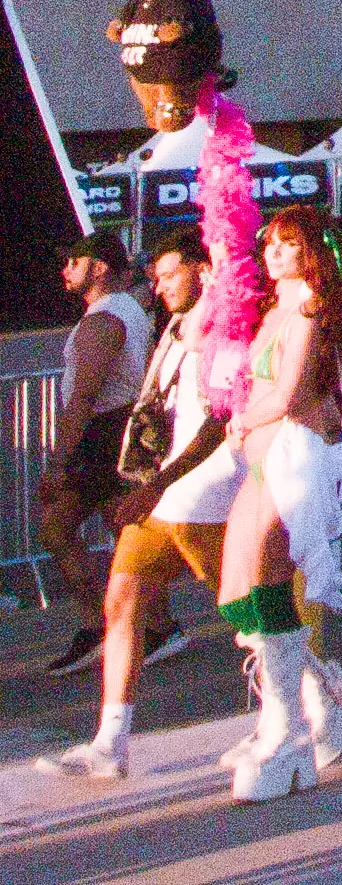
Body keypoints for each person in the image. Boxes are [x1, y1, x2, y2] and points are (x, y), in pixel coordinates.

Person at [37, 232, 214, 781]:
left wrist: (62, 458)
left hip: (151, 464)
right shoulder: (160, 322)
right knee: (126, 584)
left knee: (247, 600)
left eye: (167, 276)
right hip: (144, 464)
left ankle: (321, 685)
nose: (156, 288)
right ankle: (111, 739)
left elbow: (88, 395)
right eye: (155, 278)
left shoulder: (115, 319)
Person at [212, 208, 342, 801]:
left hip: (294, 454)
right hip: (264, 454)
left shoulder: (306, 308)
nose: (273, 253)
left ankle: (288, 729)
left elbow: (295, 390)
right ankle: (317, 698)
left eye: (288, 245)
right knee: (237, 586)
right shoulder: (279, 308)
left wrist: (243, 418)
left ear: (312, 255)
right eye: (269, 243)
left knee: (266, 575)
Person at [37, 233, 153, 680]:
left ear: (100, 267)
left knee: (57, 526)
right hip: (113, 434)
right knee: (126, 530)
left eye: (73, 260)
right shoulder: (123, 310)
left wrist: (57, 462)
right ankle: (153, 626)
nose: (65, 269)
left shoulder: (105, 318)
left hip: (104, 436)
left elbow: (84, 396)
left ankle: (100, 626)